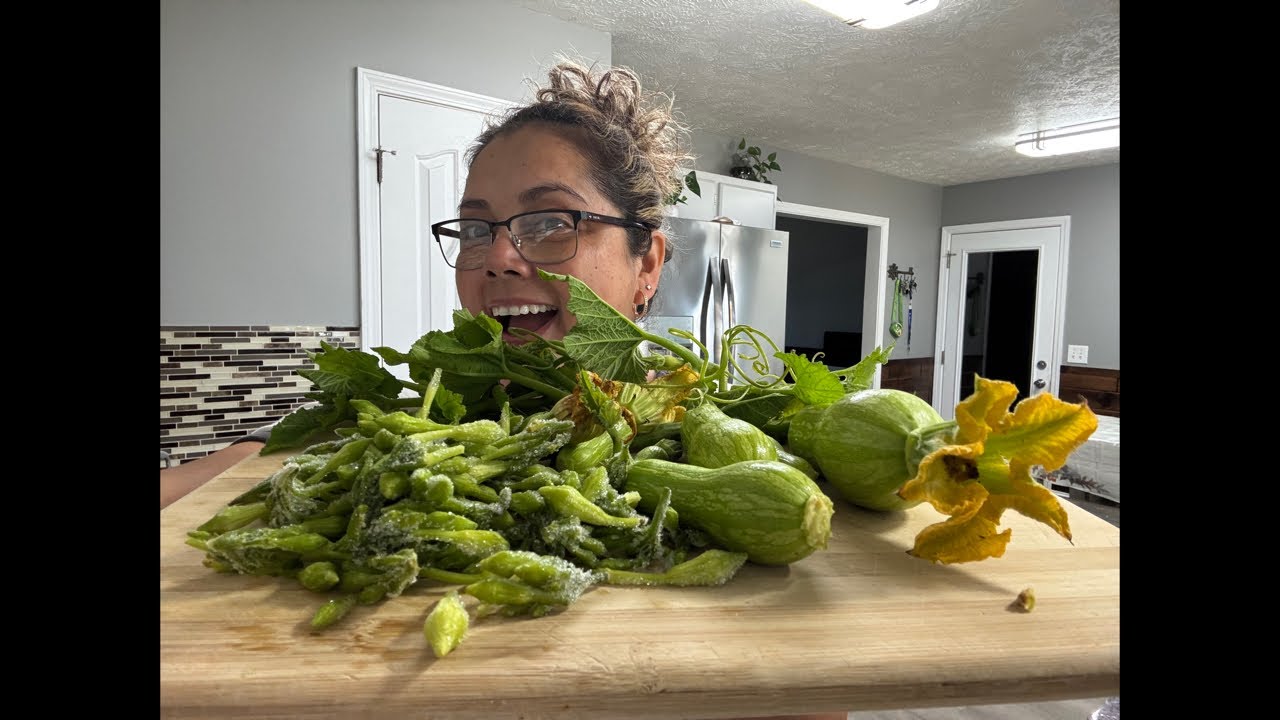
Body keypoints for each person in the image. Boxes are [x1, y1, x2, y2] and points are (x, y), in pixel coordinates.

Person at [161, 59, 840, 720]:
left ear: (647, 264)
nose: (497, 257)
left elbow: (816, 685)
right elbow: (226, 475)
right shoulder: (414, 429)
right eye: (477, 228)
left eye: (550, 223)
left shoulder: (722, 452)